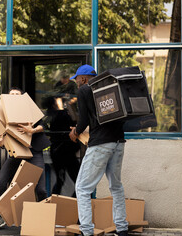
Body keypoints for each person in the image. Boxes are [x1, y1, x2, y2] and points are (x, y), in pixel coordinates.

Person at [68, 65, 129, 236]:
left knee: (82, 188)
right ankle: (122, 228)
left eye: (77, 78)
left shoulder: (84, 90)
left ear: (84, 78)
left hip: (100, 143)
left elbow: (84, 119)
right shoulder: (107, 89)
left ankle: (86, 231)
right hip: (118, 141)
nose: (76, 82)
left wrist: (76, 132)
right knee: (116, 186)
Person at [0, 87, 51, 231]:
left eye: (17, 94)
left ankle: (45, 219)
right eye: (12, 95)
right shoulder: (2, 113)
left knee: (41, 189)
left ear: (22, 97)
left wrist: (32, 130)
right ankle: (0, 218)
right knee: (0, 183)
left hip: (34, 152)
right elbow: (4, 139)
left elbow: (44, 125)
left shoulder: (28, 107)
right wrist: (1, 144)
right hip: (16, 154)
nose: (15, 97)